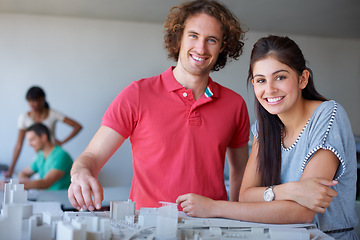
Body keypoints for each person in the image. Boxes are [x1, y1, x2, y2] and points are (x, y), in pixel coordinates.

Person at [68, 0, 250, 211]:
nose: (201, 47)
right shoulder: (137, 94)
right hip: (147, 227)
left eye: (211, 40)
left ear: (222, 47)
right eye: (193, 35)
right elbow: (91, 157)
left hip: (211, 227)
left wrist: (236, 219)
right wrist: (81, 174)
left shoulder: (235, 104)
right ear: (179, 37)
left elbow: (240, 174)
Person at [176, 35, 358, 239]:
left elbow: (302, 212)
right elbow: (245, 197)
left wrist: (214, 207)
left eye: (280, 77)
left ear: (302, 79)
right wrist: (289, 191)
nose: (269, 89)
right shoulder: (263, 129)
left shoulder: (328, 115)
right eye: (261, 80)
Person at [3, 86, 82, 178]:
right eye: (29, 101)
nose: (31, 104)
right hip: (40, 157)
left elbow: (77, 126)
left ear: (42, 99)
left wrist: (61, 142)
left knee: (44, 184)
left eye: (34, 101)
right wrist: (11, 169)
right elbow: (18, 144)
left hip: (52, 155)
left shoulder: (53, 113)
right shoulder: (24, 117)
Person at [0, 123, 73, 190]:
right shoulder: (40, 156)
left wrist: (12, 185)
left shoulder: (61, 155)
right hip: (46, 198)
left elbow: (46, 183)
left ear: (43, 137)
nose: (29, 144)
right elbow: (23, 173)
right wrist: (28, 183)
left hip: (62, 200)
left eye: (32, 140)